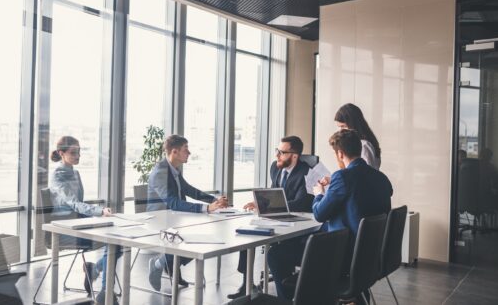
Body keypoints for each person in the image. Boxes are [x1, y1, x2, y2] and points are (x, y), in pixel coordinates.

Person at [266, 129, 393, 301]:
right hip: (369, 255)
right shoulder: (381, 178)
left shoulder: (342, 177)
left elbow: (319, 213)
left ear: (340, 154)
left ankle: (289, 301)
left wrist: (319, 193)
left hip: (342, 256)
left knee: (276, 254)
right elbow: (361, 197)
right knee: (302, 241)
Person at [227, 136, 314, 299]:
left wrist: (271, 207)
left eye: (282, 152)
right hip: (275, 216)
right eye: (277, 151)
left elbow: (302, 202)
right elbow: (274, 193)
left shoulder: (306, 172)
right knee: (248, 235)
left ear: (294, 155)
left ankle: (287, 293)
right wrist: (260, 202)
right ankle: (247, 284)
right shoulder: (276, 167)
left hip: (297, 220)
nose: (277, 155)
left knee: (278, 252)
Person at [146, 134, 229, 291]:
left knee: (198, 238)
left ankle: (169, 263)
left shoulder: (174, 169)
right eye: (186, 149)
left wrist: (214, 200)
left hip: (174, 218)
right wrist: (205, 208)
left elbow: (189, 190)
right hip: (159, 221)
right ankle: (159, 263)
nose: (189, 153)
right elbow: (173, 203)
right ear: (175, 152)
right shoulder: (160, 172)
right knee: (192, 240)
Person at [48, 136, 116, 302]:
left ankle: (97, 274)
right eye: (73, 152)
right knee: (114, 241)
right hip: (65, 229)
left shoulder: (75, 172)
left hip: (78, 223)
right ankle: (105, 292)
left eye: (79, 152)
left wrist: (97, 214)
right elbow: (74, 204)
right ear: (61, 153)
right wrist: (99, 211)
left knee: (118, 240)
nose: (78, 156)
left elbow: (79, 205)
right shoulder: (58, 175)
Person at [334, 103, 382, 170]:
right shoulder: (356, 143)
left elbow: (366, 176)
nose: (340, 131)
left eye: (343, 126)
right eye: (339, 127)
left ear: (353, 124)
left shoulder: (364, 145)